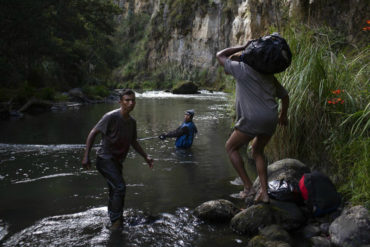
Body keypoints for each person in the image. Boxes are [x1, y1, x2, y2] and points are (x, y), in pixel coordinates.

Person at [216, 42, 289, 204]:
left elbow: (220, 55)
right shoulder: (268, 75)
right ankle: (264, 192)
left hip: (252, 119)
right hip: (270, 119)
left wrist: (243, 46)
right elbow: (285, 96)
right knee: (257, 151)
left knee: (231, 147)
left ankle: (248, 187)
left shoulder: (241, 70)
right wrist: (283, 116)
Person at [82, 89, 154, 230]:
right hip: (104, 159)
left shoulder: (132, 122)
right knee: (120, 187)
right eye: (127, 100)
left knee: (114, 190)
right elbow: (93, 133)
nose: (130, 103)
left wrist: (146, 157)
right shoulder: (111, 117)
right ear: (120, 101)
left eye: (133, 100)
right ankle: (116, 222)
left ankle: (115, 217)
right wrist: (86, 156)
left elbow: (133, 141)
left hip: (117, 161)